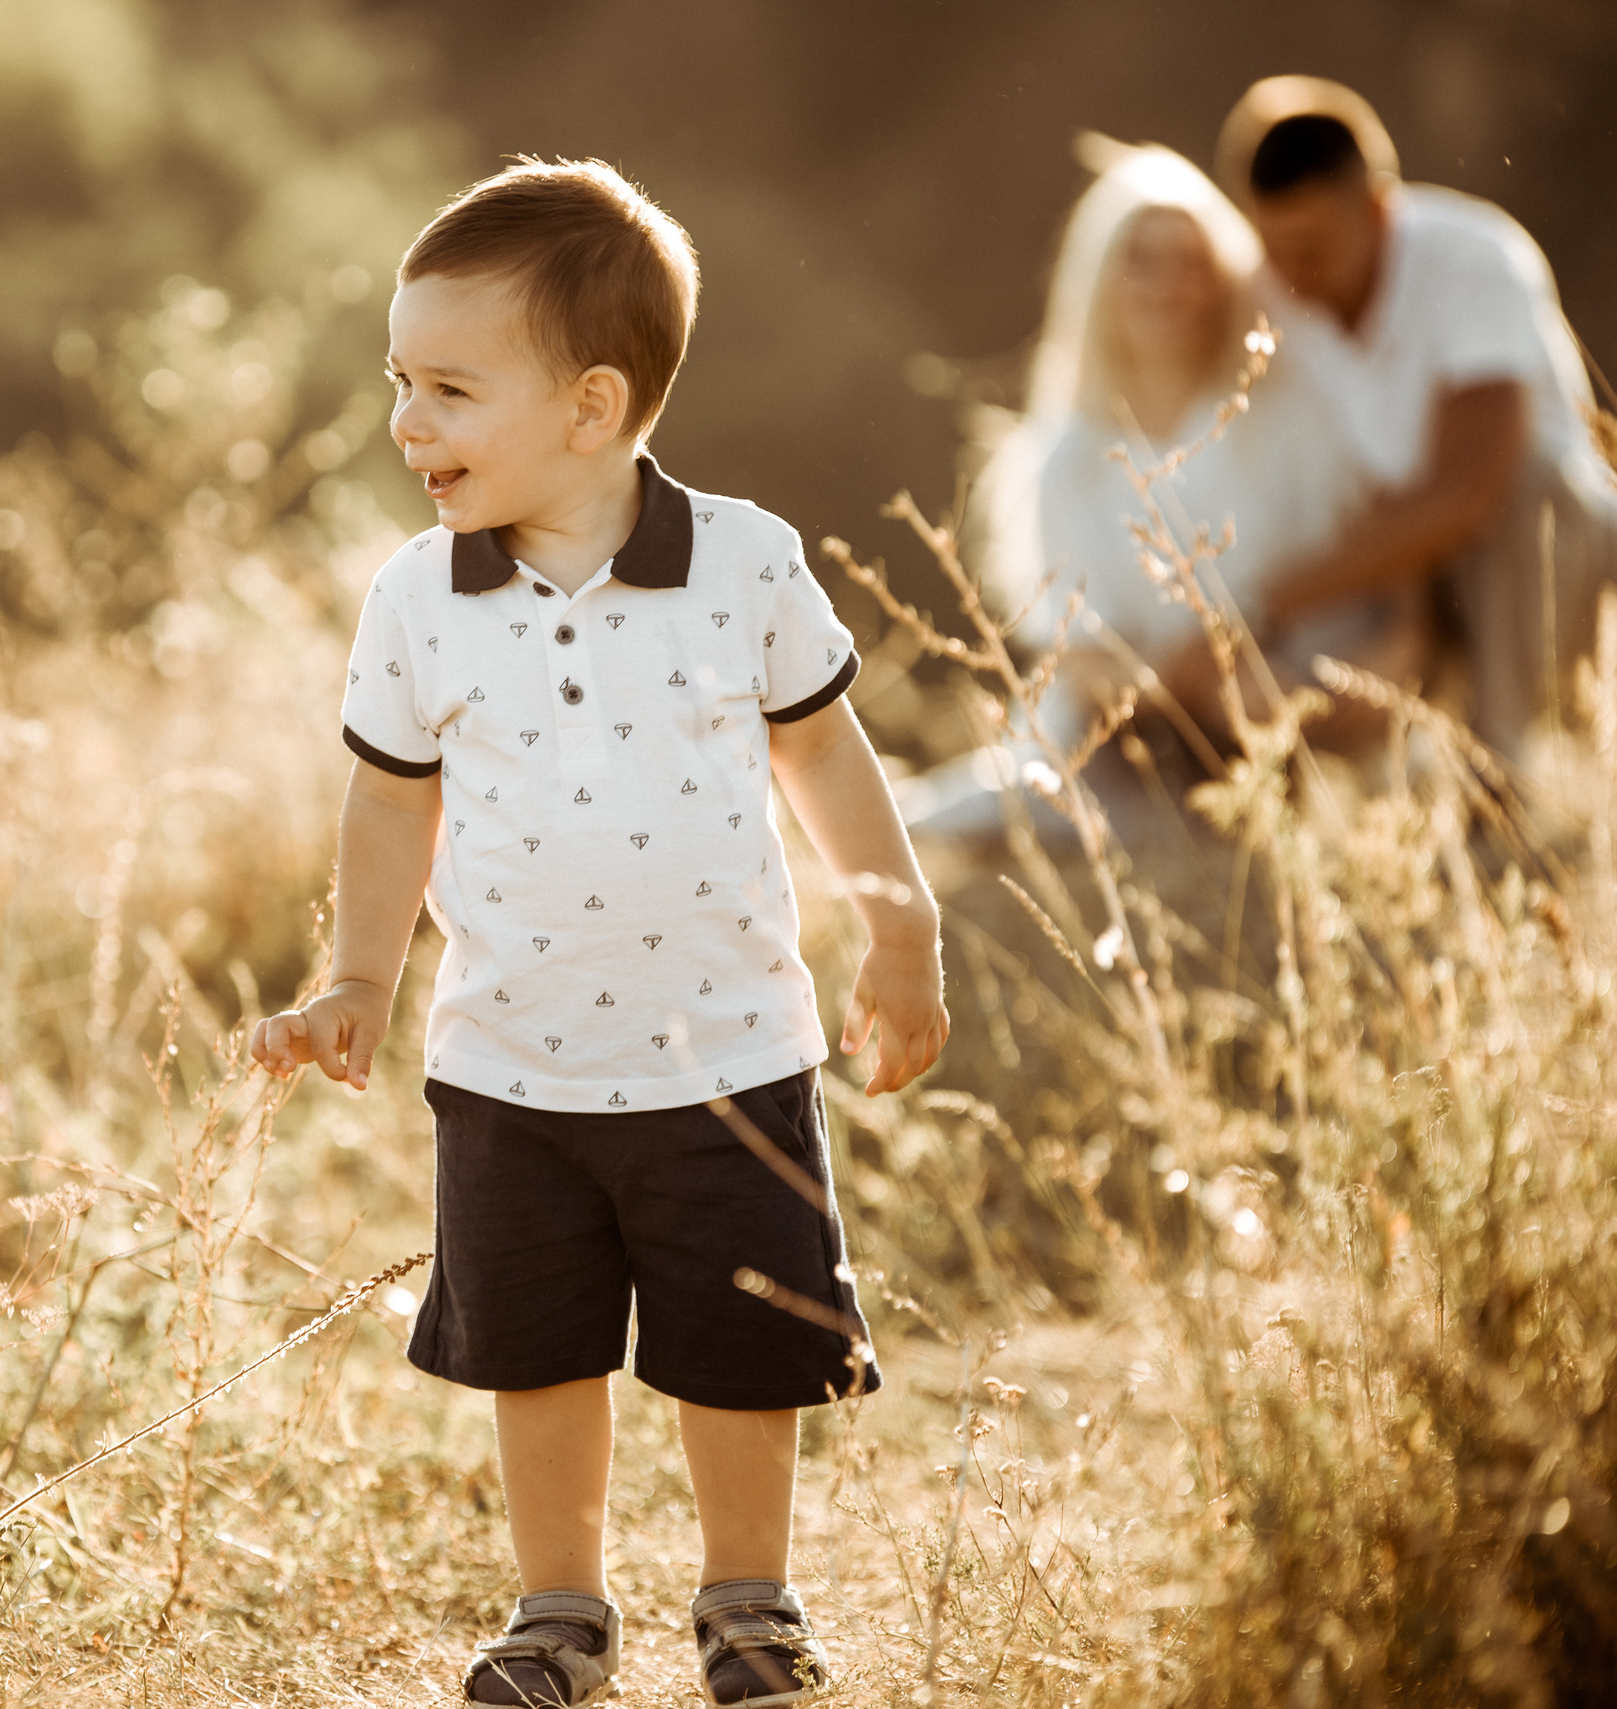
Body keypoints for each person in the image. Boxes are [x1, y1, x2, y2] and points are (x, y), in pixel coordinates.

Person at [247, 159, 948, 1707]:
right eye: (398, 382)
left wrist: (901, 928)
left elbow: (825, 755)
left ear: (590, 405)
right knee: (539, 1349)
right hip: (511, 1064)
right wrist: (359, 973)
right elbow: (389, 802)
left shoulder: (744, 564)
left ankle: (749, 1602)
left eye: (448, 389)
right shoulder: (418, 598)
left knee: (739, 1347)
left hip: (729, 1055)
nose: (406, 422)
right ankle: (559, 1610)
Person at [903, 141, 1394, 835]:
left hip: (1301, 714)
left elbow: (1371, 594)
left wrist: (1301, 699)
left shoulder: (1294, 422)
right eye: (1142, 260)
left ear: (1223, 280)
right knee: (986, 816)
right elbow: (1080, 661)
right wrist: (1186, 683)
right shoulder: (1063, 459)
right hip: (1134, 738)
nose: (1169, 284)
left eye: (1191, 263)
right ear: (1098, 280)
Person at [1201, 76, 1617, 762]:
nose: (1292, 270)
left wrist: (1260, 603)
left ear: (1379, 207)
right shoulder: (1272, 293)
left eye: (1314, 247)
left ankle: (1504, 777)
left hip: (1568, 558)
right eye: (1275, 247)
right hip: (1411, 569)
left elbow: (1469, 494)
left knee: (1523, 494)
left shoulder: (1473, 258)